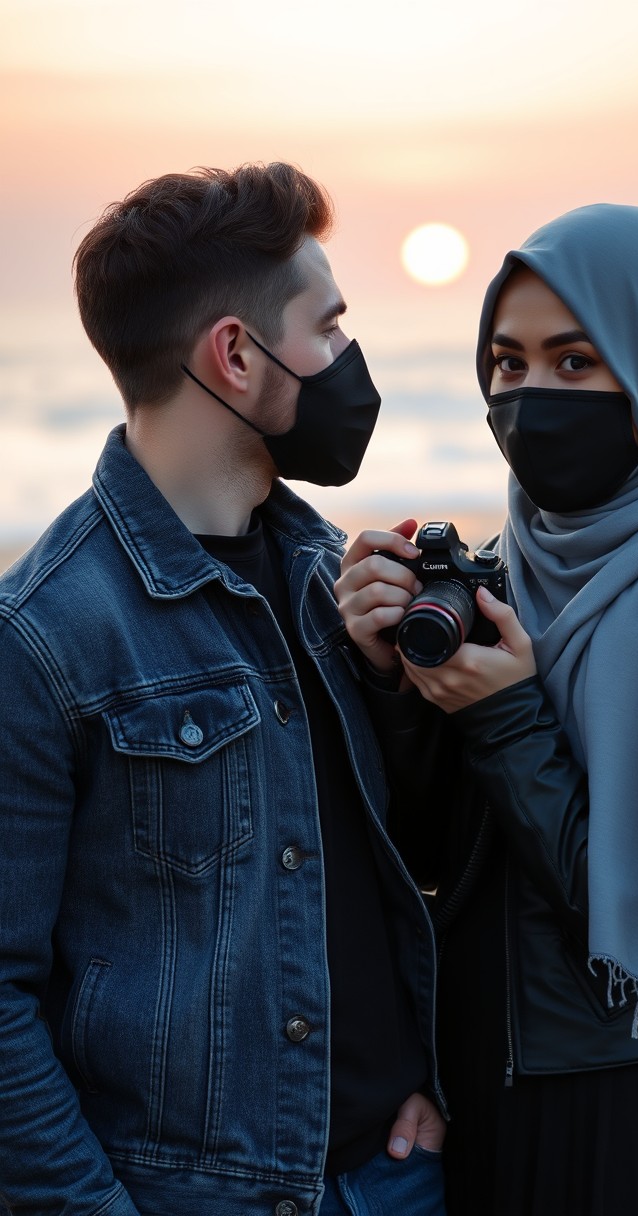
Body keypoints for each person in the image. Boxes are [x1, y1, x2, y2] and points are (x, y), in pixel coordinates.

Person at [335, 204, 638, 1215]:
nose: (527, 396)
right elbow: (437, 860)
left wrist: (506, 714)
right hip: (482, 1118)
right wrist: (391, 682)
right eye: (506, 365)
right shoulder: (510, 572)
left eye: (572, 362)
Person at [0, 162, 447, 1215]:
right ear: (236, 354)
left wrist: (432, 1085)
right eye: (328, 328)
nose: (347, 360)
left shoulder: (328, 577)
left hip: (396, 1177)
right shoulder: (43, 635)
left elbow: (410, 868)